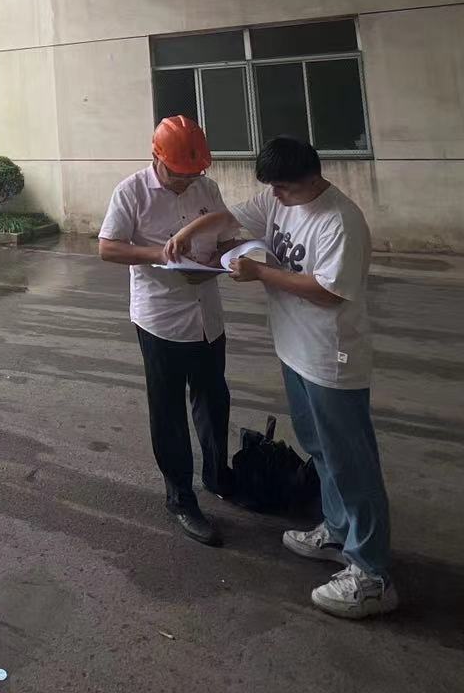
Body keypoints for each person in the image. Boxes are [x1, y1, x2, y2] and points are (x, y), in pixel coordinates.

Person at [168, 135, 396, 619]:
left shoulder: (339, 221)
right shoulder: (279, 199)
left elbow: (328, 291)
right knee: (320, 449)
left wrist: (260, 274)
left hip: (331, 358)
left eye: (284, 188)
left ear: (312, 179)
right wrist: (192, 231)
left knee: (351, 463)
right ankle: (337, 531)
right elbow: (230, 216)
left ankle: (372, 574)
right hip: (295, 351)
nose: (274, 196)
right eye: (271, 188)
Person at [97, 116, 237, 547]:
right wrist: (160, 255)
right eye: (179, 174)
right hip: (160, 319)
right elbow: (108, 247)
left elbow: (226, 238)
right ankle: (180, 498)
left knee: (214, 399)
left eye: (194, 173)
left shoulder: (206, 188)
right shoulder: (131, 192)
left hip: (207, 316)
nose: (187, 181)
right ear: (157, 157)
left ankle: (218, 476)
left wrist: (221, 260)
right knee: (168, 410)